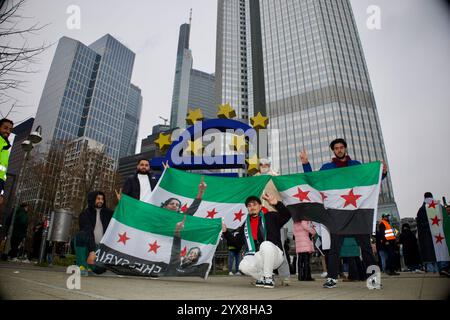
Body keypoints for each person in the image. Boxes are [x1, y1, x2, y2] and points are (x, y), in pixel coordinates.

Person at [300, 138, 386, 288]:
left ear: (345, 149)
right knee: (334, 249)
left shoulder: (356, 166)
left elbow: (371, 180)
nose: (339, 150)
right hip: (338, 215)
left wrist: (382, 174)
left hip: (357, 213)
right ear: (333, 150)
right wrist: (306, 164)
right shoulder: (328, 168)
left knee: (366, 247)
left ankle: (374, 279)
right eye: (336, 148)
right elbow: (314, 181)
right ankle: (332, 278)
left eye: (341, 147)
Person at [222, 193, 291, 289]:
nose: (252, 207)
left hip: (275, 256)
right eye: (249, 206)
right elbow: (236, 243)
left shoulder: (271, 216)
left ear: (260, 206)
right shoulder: (245, 225)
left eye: (254, 204)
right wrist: (226, 232)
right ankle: (262, 277)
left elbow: (287, 215)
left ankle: (268, 277)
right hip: (257, 256)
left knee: (265, 245)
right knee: (243, 266)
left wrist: (276, 204)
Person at [74, 191, 113, 275]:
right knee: (81, 235)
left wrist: (121, 203)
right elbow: (88, 231)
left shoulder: (108, 213)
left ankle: (90, 266)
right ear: (92, 199)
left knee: (100, 269)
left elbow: (119, 216)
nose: (101, 201)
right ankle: (81, 266)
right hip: (89, 246)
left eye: (102, 199)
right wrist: (92, 251)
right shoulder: (85, 214)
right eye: (98, 199)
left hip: (100, 248)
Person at [416, 192, 450, 276]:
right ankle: (444, 267)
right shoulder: (439, 206)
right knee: (442, 250)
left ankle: (436, 271)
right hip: (440, 234)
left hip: (428, 237)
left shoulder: (421, 210)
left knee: (433, 254)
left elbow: (420, 225)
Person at [0, 118, 13, 206]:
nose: (8, 131)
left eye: (10, 130)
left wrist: (1, 193)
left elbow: (2, 174)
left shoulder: (5, 148)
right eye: (5, 128)